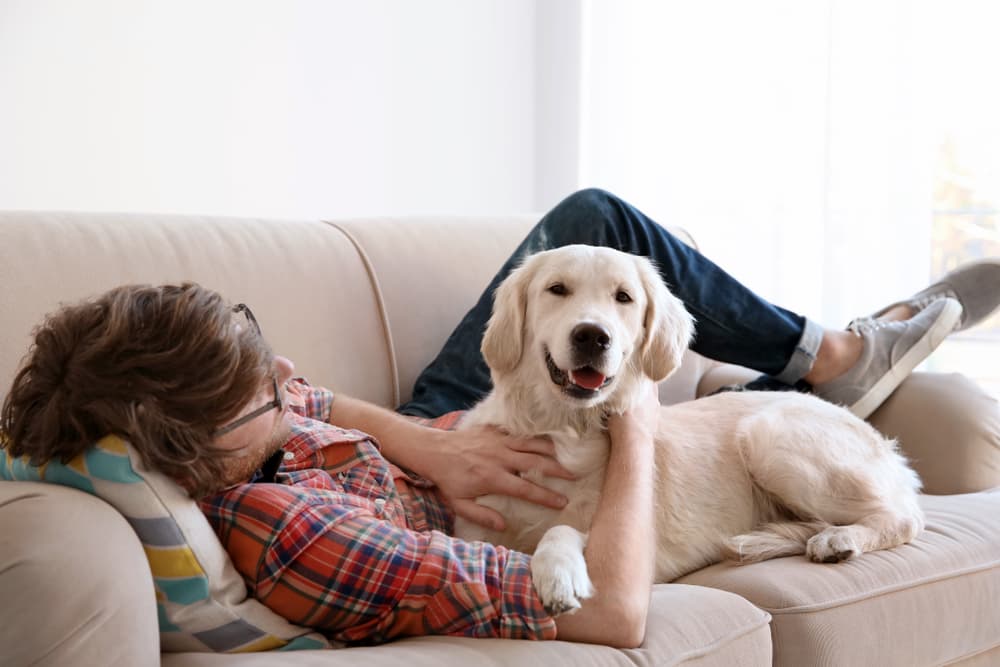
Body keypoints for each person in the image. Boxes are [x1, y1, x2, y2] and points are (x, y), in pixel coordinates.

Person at [2, 188, 998, 648]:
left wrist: (416, 439)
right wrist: (641, 421)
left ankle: (814, 378)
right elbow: (609, 611)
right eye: (262, 389)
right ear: (198, 446)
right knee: (596, 241)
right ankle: (832, 364)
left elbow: (306, 399)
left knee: (594, 226)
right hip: (514, 488)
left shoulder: (243, 421)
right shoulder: (293, 528)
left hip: (452, 438)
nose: (293, 380)